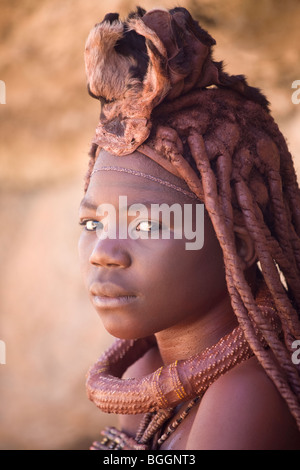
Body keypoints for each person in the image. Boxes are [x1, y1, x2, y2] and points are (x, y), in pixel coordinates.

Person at [78, 6, 300, 450]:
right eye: (91, 221)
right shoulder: (145, 372)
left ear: (235, 244)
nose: (103, 251)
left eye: (146, 223)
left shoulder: (247, 397)